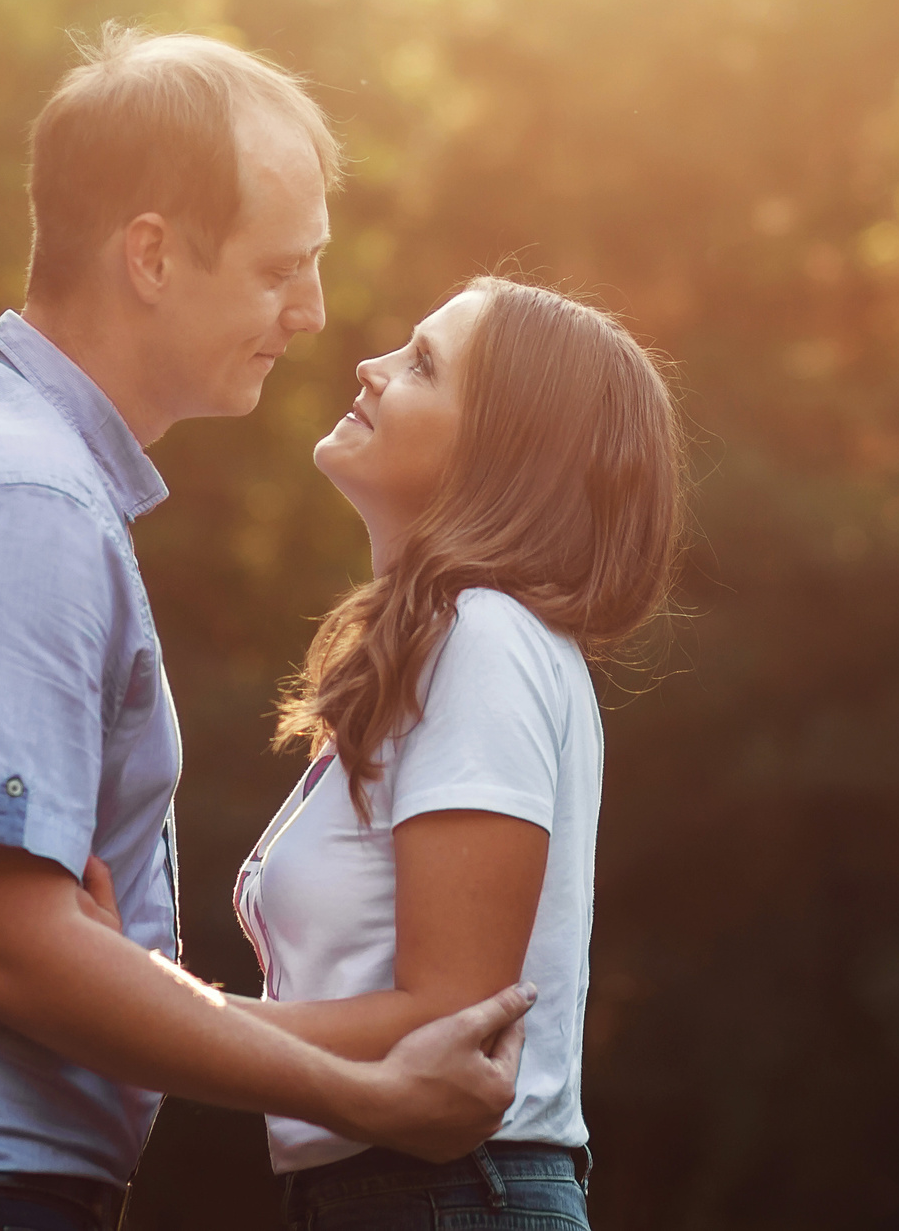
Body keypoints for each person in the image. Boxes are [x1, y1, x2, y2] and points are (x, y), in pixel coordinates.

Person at [0, 29, 538, 1231]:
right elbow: (6, 947)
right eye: (278, 269)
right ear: (149, 255)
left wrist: (116, 967)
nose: (311, 314)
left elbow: (32, 937)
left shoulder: (7, 464)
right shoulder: (21, 497)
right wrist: (365, 1095)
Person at [231, 278, 688, 1230]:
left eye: (422, 364)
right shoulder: (457, 642)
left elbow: (446, 1016)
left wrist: (136, 1016)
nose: (371, 366)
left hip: (445, 1194)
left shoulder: (486, 636)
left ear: (503, 455)